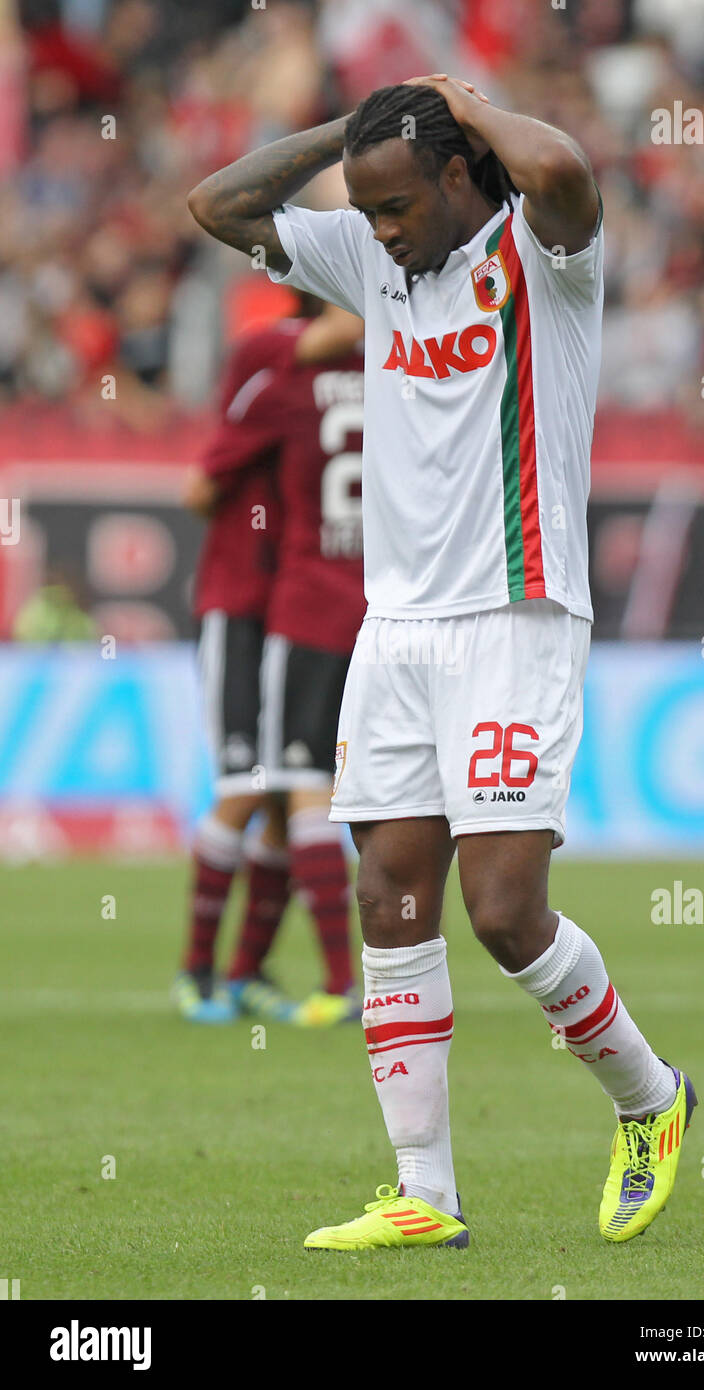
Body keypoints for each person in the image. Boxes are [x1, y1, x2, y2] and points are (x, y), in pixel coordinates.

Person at [187, 75, 697, 1247]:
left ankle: (651, 1099)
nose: (380, 230)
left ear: (463, 171)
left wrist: (461, 101)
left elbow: (565, 170)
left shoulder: (543, 250)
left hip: (515, 613)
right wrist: (351, 132)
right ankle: (424, 1190)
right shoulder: (370, 260)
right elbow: (217, 203)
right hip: (396, 630)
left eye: (398, 204)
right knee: (389, 896)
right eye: (363, 211)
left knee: (505, 912)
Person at [174, 300, 365, 1027]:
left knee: (287, 796)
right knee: (248, 784)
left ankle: (245, 971)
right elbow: (199, 486)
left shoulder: (329, 374)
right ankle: (195, 974)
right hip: (241, 599)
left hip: (293, 601)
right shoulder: (275, 359)